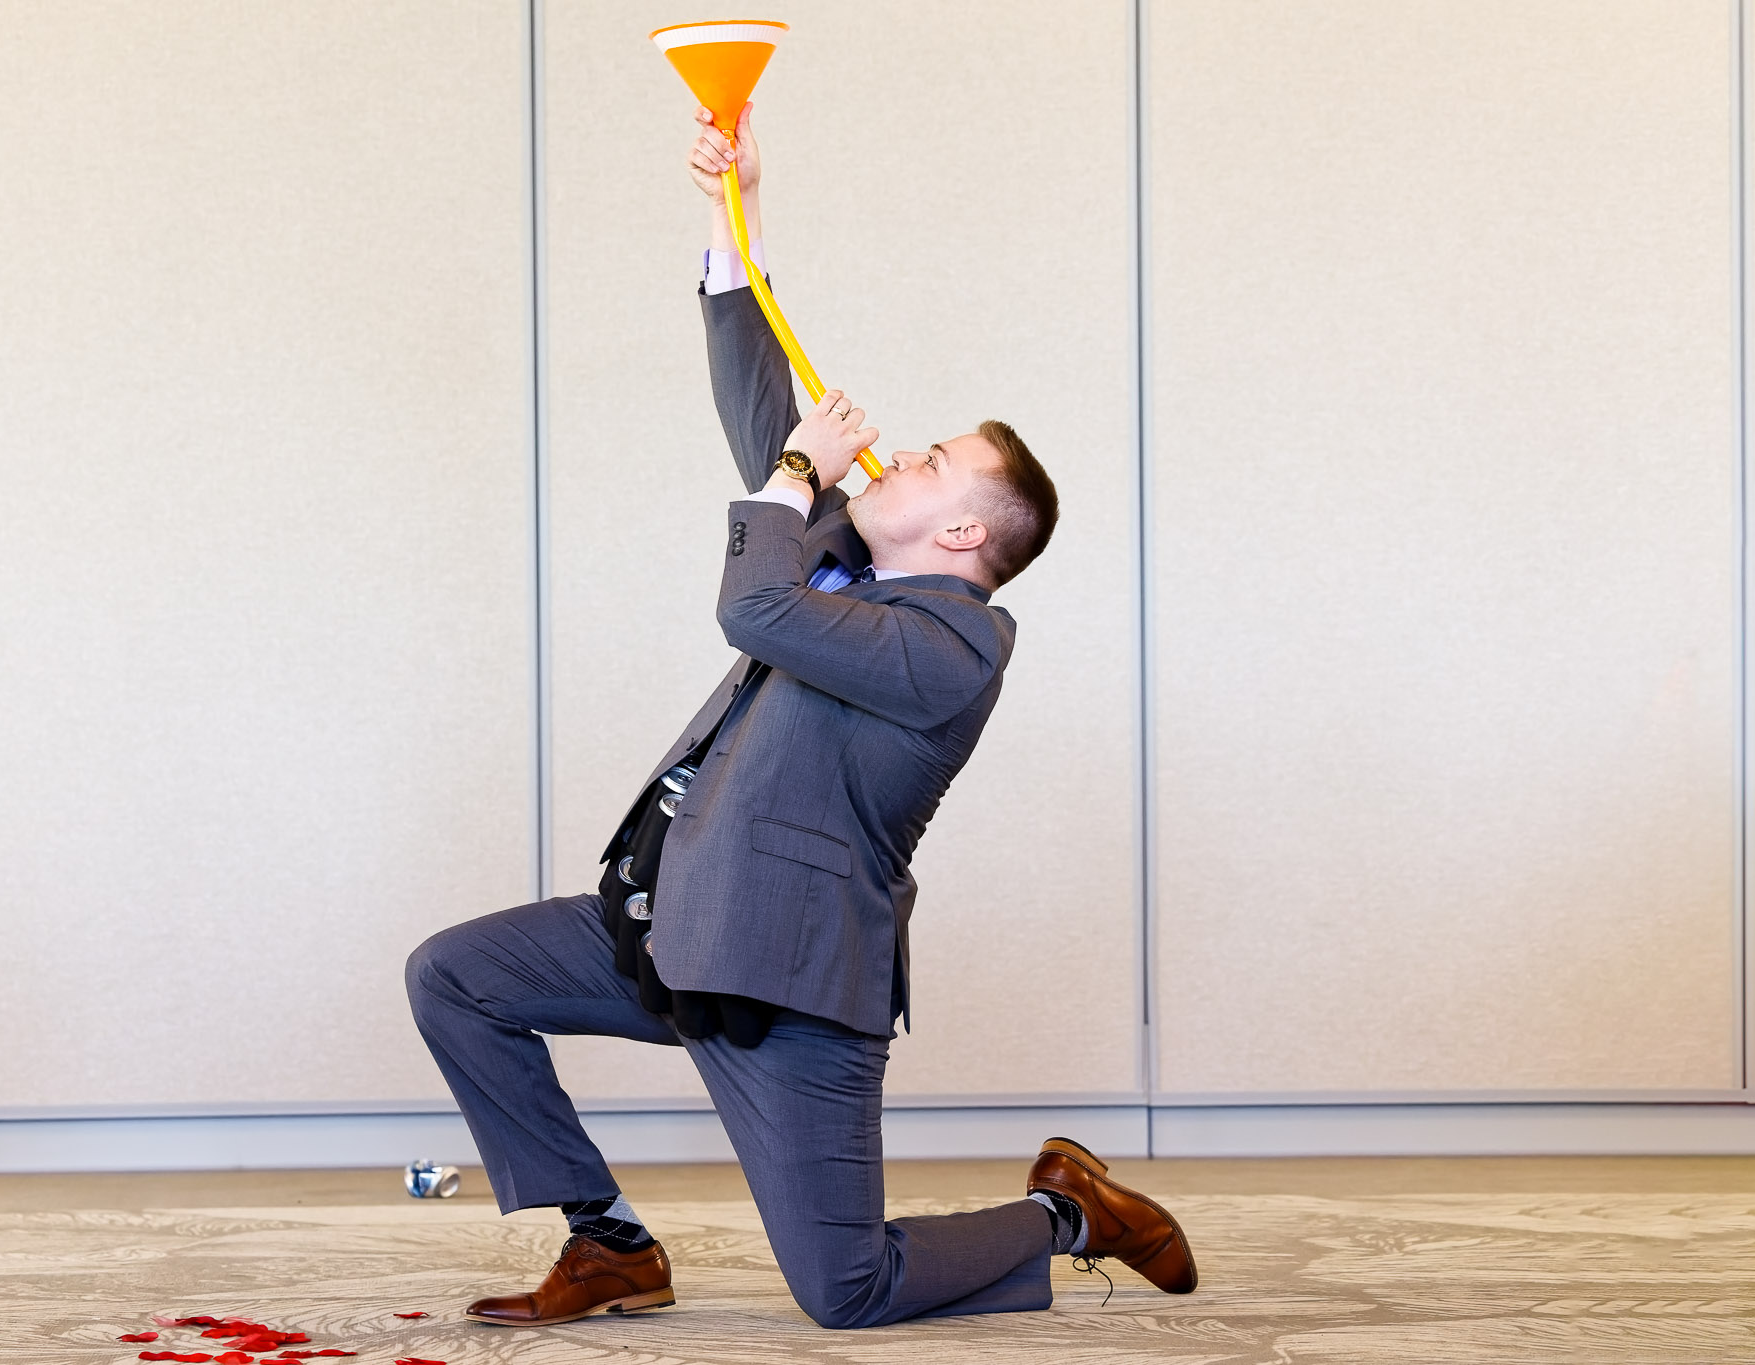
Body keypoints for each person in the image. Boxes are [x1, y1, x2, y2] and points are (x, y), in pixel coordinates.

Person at [402, 103, 1197, 1331]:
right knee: (456, 975)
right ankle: (606, 1242)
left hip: (789, 991)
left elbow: (756, 605)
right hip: (672, 934)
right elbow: (760, 395)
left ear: (965, 535)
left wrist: (787, 479)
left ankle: (1071, 1214)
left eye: (925, 463)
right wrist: (737, 216)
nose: (888, 465)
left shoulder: (953, 645)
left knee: (846, 1289)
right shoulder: (847, 567)